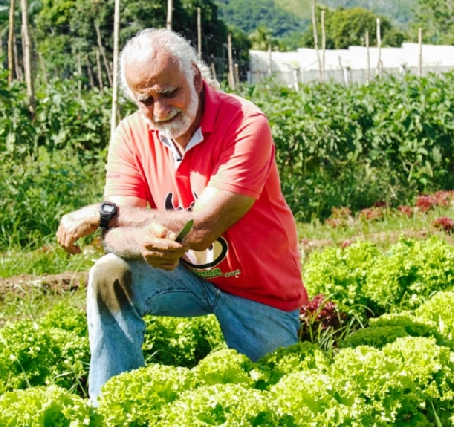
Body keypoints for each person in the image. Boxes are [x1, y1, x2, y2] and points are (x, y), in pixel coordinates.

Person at [56, 28, 307, 403]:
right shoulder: (130, 134)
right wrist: (138, 240)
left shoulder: (245, 125)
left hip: (259, 289)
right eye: (146, 100)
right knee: (110, 274)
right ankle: (110, 405)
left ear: (195, 74)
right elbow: (111, 235)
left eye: (169, 93)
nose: (159, 110)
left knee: (278, 397)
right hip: (185, 276)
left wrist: (106, 213)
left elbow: (201, 228)